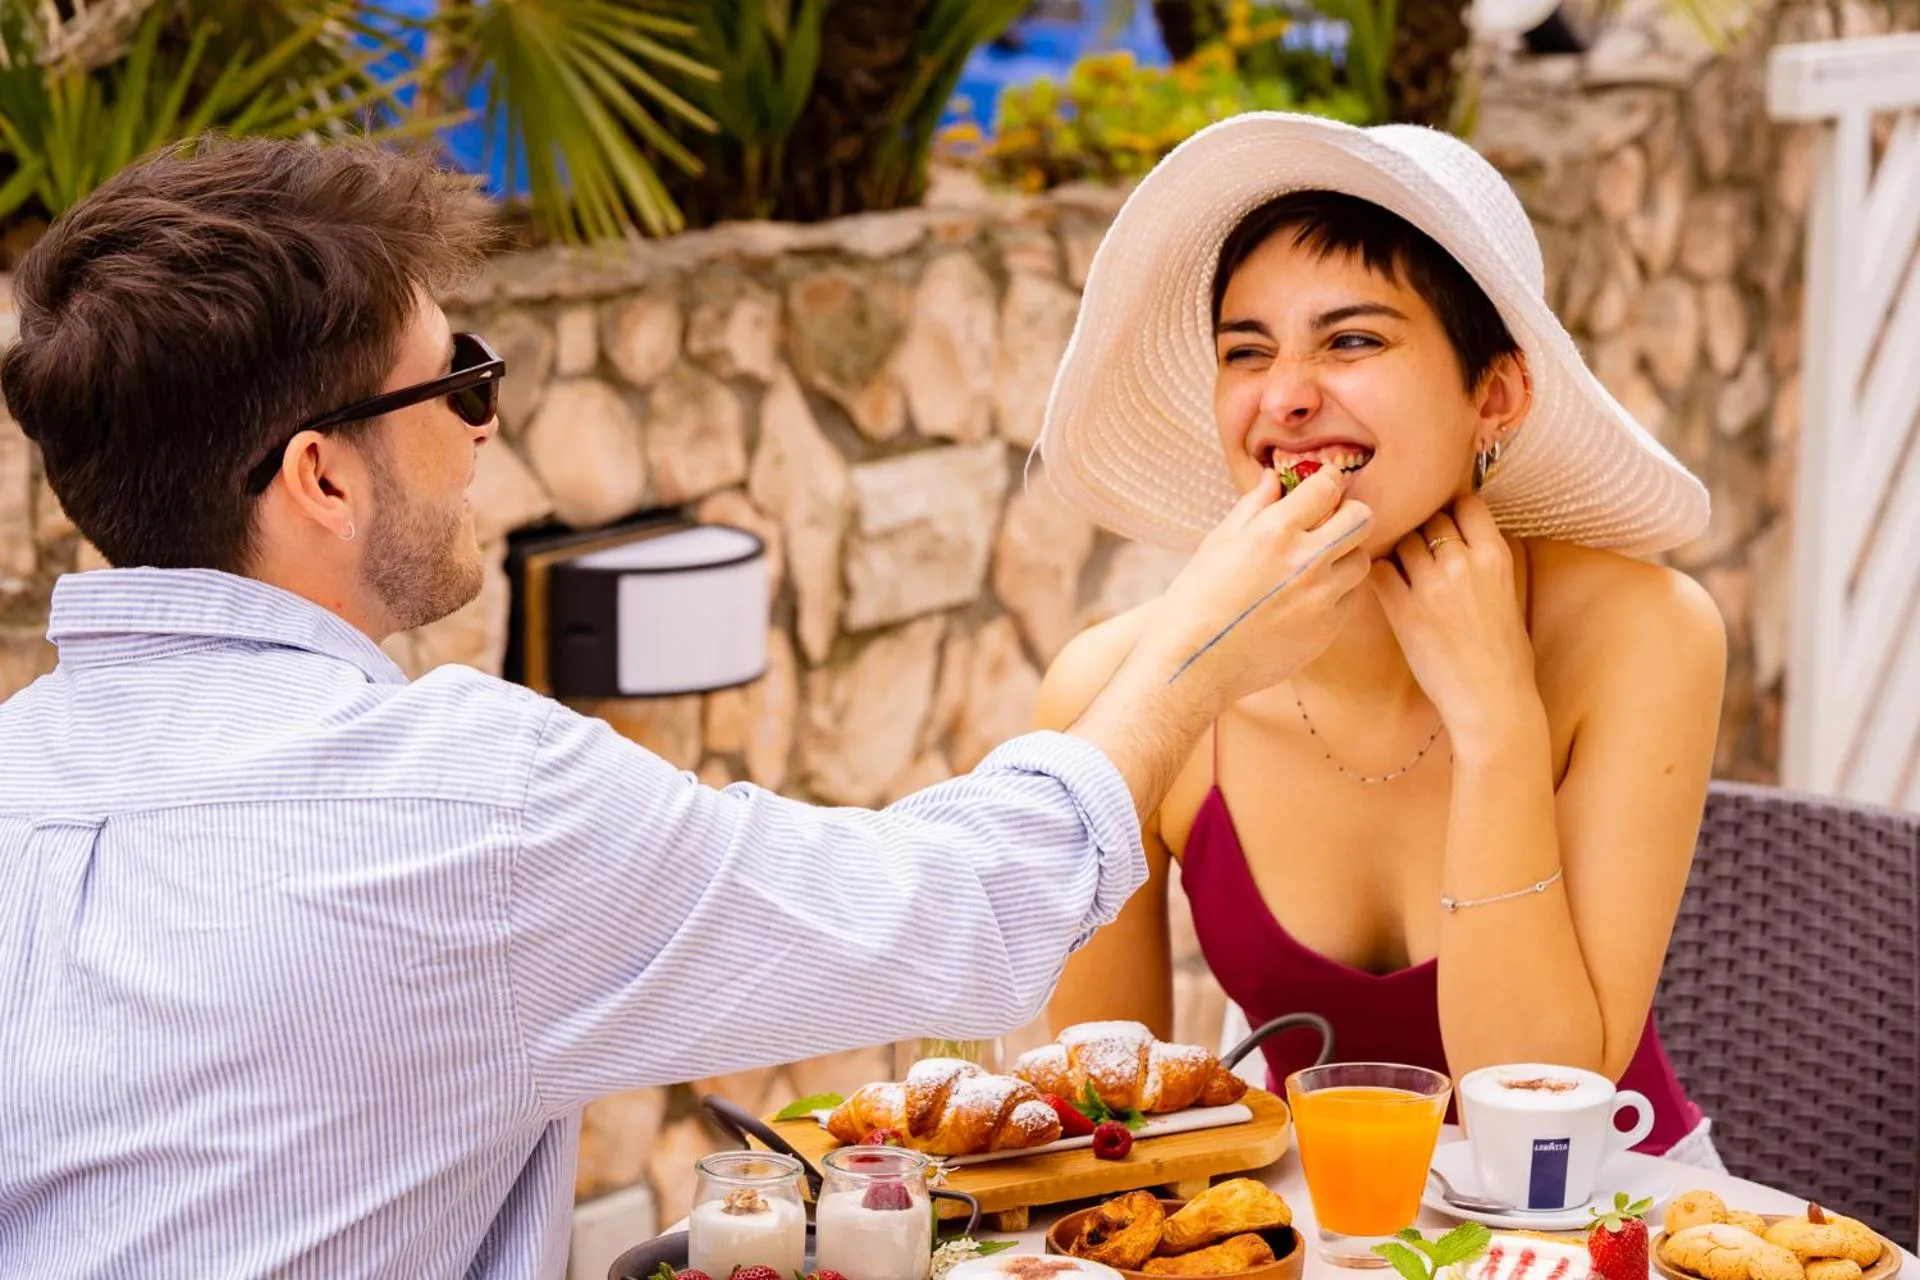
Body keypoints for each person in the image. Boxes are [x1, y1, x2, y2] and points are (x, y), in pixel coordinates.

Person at [0, 135, 1374, 1276]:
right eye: (461, 376)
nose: (487, 424)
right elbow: (956, 910)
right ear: (323, 476)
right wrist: (1200, 646)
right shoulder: (468, 804)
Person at [1031, 114, 1729, 1167]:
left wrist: (1497, 716)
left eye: (1352, 338)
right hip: (1307, 1224)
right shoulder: (1120, 686)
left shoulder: (1645, 633)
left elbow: (1537, 1115)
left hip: (1604, 1221)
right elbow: (1107, 1125)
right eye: (1245, 351)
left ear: (1494, 392)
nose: (1287, 395)